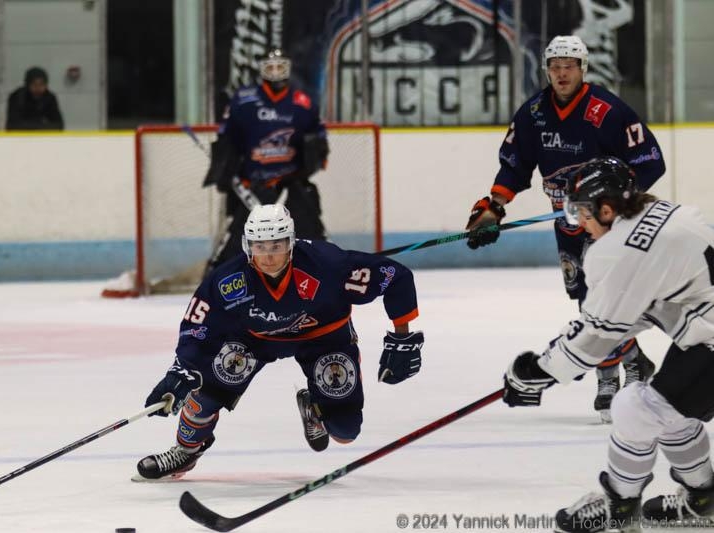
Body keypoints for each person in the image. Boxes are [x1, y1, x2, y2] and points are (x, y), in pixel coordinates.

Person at [135, 203, 424, 480]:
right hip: (254, 339)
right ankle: (185, 451)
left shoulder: (328, 264)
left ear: (291, 242)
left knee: (345, 431)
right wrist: (182, 371)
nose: (268, 256)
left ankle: (314, 408)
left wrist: (402, 338)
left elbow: (394, 276)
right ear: (248, 246)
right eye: (260, 247)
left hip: (323, 337)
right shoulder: (228, 280)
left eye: (276, 245)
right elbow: (198, 326)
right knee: (207, 390)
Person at [502, 157, 714, 532]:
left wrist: (540, 369)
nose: (580, 223)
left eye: (583, 212)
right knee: (666, 409)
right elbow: (645, 309)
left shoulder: (618, 248)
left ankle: (620, 506)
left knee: (634, 407)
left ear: (606, 207)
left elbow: (597, 335)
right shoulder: (663, 211)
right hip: (706, 338)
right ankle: (704, 499)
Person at [465, 35, 666, 423]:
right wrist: (494, 205)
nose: (561, 74)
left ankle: (609, 376)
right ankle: (632, 363)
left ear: (582, 68)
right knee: (585, 298)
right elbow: (515, 164)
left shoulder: (606, 111)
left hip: (610, 227)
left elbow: (650, 161)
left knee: (604, 298)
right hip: (568, 223)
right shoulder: (533, 114)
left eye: (568, 66)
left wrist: (615, 202)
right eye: (555, 67)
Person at [202, 49, 329, 276]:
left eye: (280, 67)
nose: (275, 72)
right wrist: (225, 163)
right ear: (261, 69)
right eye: (270, 67)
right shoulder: (244, 99)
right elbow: (227, 134)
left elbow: (317, 134)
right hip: (253, 184)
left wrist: (317, 153)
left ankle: (327, 271)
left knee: (312, 233)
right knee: (238, 238)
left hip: (290, 182)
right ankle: (217, 277)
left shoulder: (302, 102)